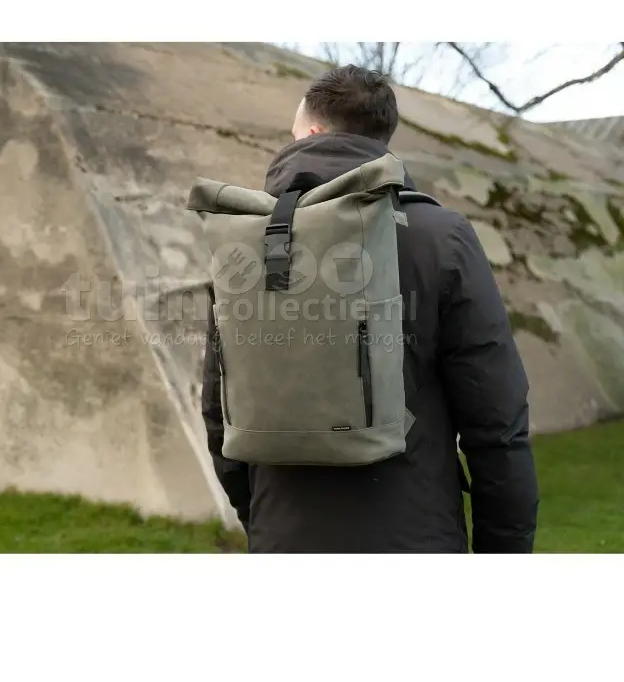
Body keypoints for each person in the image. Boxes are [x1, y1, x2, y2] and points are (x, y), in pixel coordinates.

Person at [201, 64, 540, 553]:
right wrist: (504, 552)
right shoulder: (442, 237)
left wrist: (261, 523)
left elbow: (219, 413)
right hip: (416, 539)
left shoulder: (246, 241)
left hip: (283, 537)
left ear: (312, 134)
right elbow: (497, 419)